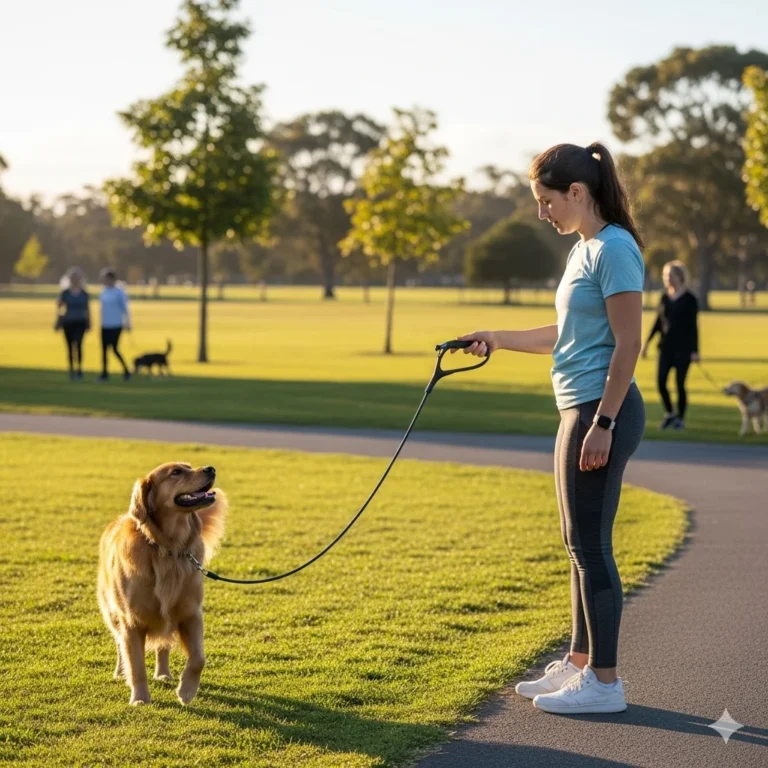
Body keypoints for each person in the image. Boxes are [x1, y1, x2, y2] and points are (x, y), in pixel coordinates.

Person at [455, 142, 645, 715]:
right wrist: (496, 337)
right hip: (579, 407)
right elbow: (565, 333)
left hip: (599, 409)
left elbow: (629, 343)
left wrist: (604, 422)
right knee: (576, 544)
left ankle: (605, 684)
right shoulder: (585, 251)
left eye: (546, 201)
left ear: (577, 192)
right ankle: (581, 663)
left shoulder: (614, 249)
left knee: (592, 547)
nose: (542, 212)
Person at [641, 261, 699, 430]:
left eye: (670, 275)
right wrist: (647, 344)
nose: (667, 278)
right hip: (665, 348)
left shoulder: (690, 299)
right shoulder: (664, 298)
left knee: (680, 385)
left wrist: (695, 351)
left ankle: (680, 418)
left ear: (680, 277)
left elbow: (693, 327)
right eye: (665, 275)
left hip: (683, 350)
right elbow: (658, 323)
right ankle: (669, 413)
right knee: (661, 382)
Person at [55, 267, 91, 380]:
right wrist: (58, 321)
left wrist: (89, 322)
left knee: (78, 345)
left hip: (80, 322)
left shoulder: (84, 293)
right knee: (70, 347)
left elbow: (87, 309)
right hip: (68, 322)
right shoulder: (65, 293)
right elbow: (60, 308)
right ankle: (71, 370)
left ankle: (79, 369)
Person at [99, 267, 132, 381]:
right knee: (104, 350)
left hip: (116, 324)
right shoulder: (103, 291)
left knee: (114, 348)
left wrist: (127, 323)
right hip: (105, 324)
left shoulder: (119, 292)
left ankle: (126, 370)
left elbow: (125, 309)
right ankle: (104, 373)